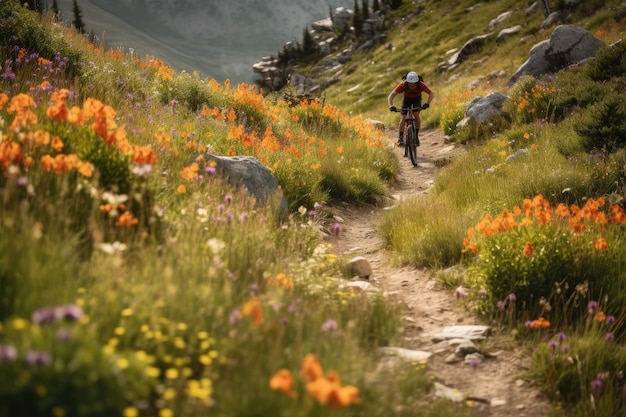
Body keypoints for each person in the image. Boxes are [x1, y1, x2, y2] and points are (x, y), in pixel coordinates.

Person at [387, 71, 434, 146]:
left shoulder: (421, 85)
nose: (412, 86)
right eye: (410, 84)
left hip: (417, 99)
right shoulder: (403, 84)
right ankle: (400, 138)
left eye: (414, 84)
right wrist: (391, 106)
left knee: (416, 114)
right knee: (403, 117)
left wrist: (427, 103)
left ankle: (416, 136)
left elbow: (431, 93)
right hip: (407, 99)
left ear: (417, 82)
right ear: (407, 82)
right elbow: (391, 96)